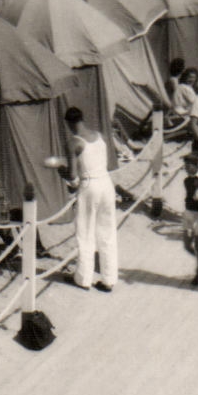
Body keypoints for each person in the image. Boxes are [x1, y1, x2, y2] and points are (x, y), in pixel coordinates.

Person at [65, 107, 118, 292]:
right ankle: (109, 279)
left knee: (85, 233)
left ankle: (83, 278)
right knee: (107, 232)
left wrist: (60, 171)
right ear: (82, 119)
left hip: (89, 186)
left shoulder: (74, 142)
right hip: (106, 183)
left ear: (69, 123)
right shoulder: (99, 135)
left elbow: (72, 176)